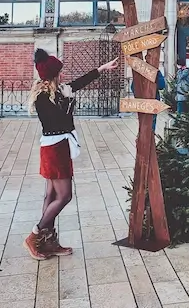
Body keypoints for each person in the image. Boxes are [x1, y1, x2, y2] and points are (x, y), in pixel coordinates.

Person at [24, 49, 119, 260]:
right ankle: (35, 235)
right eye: (61, 72)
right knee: (64, 196)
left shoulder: (59, 90)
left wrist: (101, 69)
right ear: (54, 74)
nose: (64, 75)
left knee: (51, 195)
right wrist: (67, 101)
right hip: (54, 148)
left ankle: (48, 242)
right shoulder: (43, 97)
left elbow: (79, 83)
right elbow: (58, 121)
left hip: (58, 146)